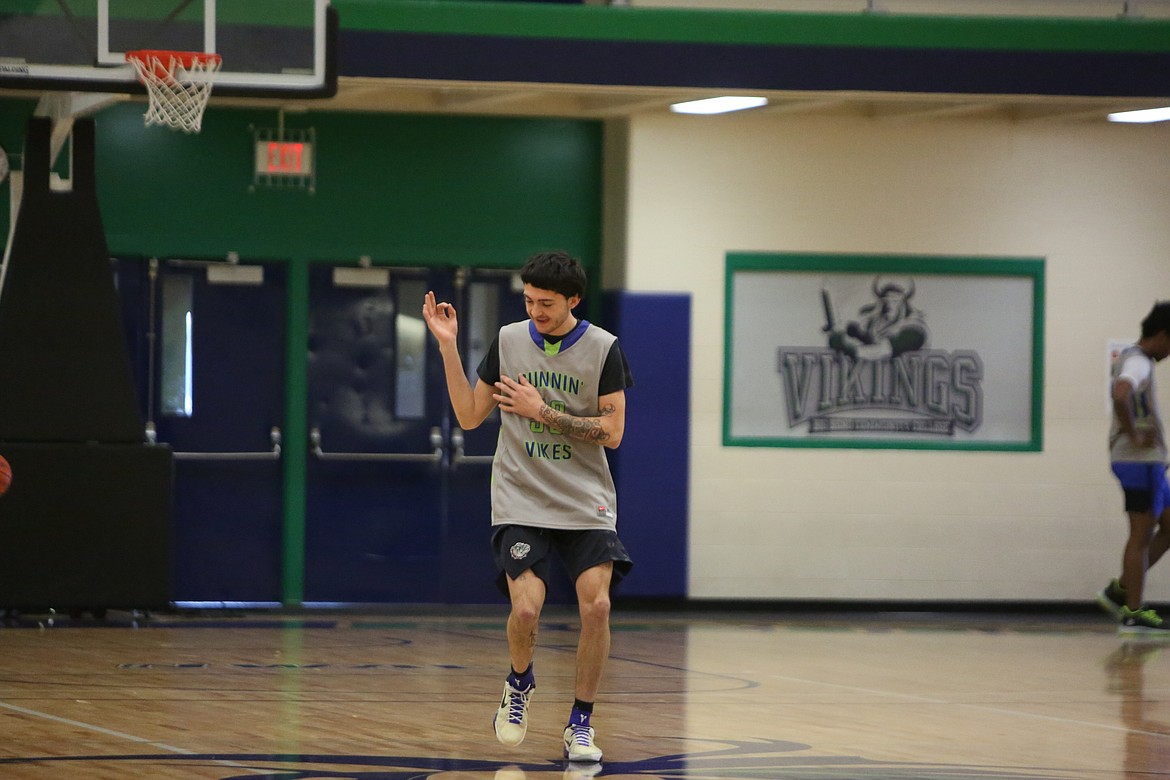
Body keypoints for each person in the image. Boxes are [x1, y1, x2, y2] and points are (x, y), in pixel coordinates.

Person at [422, 250, 634, 764]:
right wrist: (448, 348)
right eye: (529, 300)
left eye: (547, 303)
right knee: (525, 608)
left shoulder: (604, 350)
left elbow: (612, 433)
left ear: (574, 300)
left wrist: (545, 412)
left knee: (598, 605)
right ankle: (519, 684)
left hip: (585, 499)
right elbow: (471, 416)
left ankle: (580, 722)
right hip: (521, 497)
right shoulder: (510, 342)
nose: (535, 310)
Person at [1097, 301, 1170, 634]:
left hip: (1141, 462)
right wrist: (1135, 432)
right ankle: (1133, 610)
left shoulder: (1132, 357)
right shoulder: (1138, 362)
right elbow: (1121, 393)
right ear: (1162, 335)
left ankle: (1122, 588)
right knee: (1140, 536)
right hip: (1139, 462)